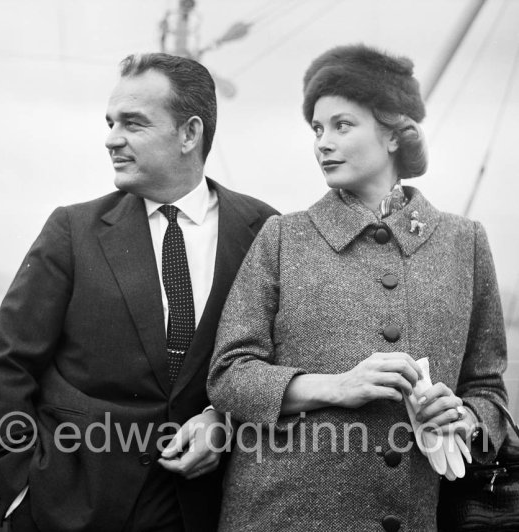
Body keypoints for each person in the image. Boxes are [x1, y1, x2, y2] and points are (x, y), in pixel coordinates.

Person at [207, 44, 508, 531]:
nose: (323, 142)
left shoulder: (464, 243)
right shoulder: (284, 236)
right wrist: (337, 386)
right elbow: (228, 376)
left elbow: (488, 390)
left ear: (394, 133)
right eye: (317, 129)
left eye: (342, 125)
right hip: (279, 517)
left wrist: (464, 419)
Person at [0, 53, 277, 532]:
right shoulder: (72, 231)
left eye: (133, 124)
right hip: (72, 511)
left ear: (189, 134)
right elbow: (7, 368)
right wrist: (17, 495)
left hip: (210, 511)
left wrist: (223, 420)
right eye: (111, 122)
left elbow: (275, 367)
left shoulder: (264, 231)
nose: (112, 138)